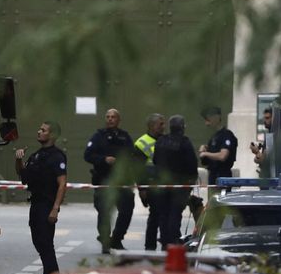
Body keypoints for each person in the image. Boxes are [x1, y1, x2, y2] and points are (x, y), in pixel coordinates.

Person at [15, 122, 67, 274]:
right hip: (36, 204)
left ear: (52, 135)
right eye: (39, 129)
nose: (39, 132)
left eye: (43, 130)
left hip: (47, 204)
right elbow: (24, 177)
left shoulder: (57, 156)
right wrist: (19, 160)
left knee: (45, 243)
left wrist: (55, 208)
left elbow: (62, 183)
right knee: (39, 242)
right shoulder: (36, 156)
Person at [84, 108, 135, 252]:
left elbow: (132, 156)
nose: (110, 119)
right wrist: (104, 159)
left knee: (126, 209)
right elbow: (88, 155)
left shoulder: (125, 137)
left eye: (113, 117)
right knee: (104, 212)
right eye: (108, 117)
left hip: (122, 181)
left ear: (118, 120)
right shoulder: (98, 136)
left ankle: (117, 239)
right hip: (103, 180)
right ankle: (105, 240)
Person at [153, 115, 198, 248]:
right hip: (179, 185)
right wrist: (191, 180)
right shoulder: (184, 142)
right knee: (175, 213)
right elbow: (191, 164)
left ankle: (165, 240)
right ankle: (173, 241)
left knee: (163, 213)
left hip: (162, 183)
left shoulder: (161, 140)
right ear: (183, 127)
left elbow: (156, 161)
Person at [133, 113, 166, 250]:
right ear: (152, 126)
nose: (164, 127)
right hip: (151, 185)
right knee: (155, 217)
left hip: (165, 185)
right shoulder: (141, 143)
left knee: (165, 216)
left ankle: (166, 244)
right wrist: (142, 189)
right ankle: (150, 247)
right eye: (161, 124)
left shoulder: (165, 140)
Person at [198, 106, 237, 193]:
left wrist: (206, 154)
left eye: (208, 120)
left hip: (223, 177)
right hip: (213, 176)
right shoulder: (213, 137)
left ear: (216, 117)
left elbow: (223, 156)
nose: (206, 124)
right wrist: (204, 151)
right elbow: (205, 161)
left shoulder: (227, 135)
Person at [251, 107, 273, 177]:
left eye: (267, 118)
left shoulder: (274, 136)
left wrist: (257, 152)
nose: (264, 120)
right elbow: (259, 159)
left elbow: (266, 161)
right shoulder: (269, 135)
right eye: (264, 118)